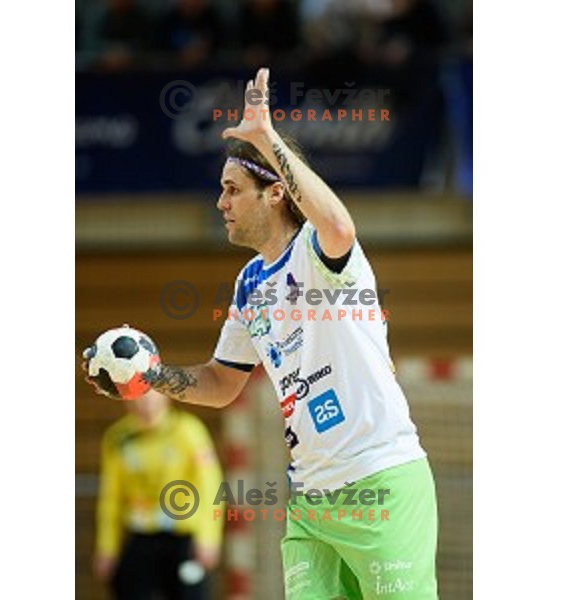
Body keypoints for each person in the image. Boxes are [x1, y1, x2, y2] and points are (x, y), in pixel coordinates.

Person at [86, 67, 437, 599]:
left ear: (274, 194)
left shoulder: (320, 253)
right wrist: (149, 376)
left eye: (232, 190)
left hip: (380, 482)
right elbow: (222, 383)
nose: (220, 203)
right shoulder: (250, 282)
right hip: (312, 502)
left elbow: (340, 226)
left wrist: (266, 139)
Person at [93, 389, 224, 599]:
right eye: (138, 394)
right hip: (140, 537)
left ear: (165, 395)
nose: (145, 402)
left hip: (182, 539)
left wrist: (208, 537)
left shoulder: (189, 431)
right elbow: (111, 497)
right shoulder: (118, 438)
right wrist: (107, 547)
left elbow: (211, 486)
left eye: (150, 394)